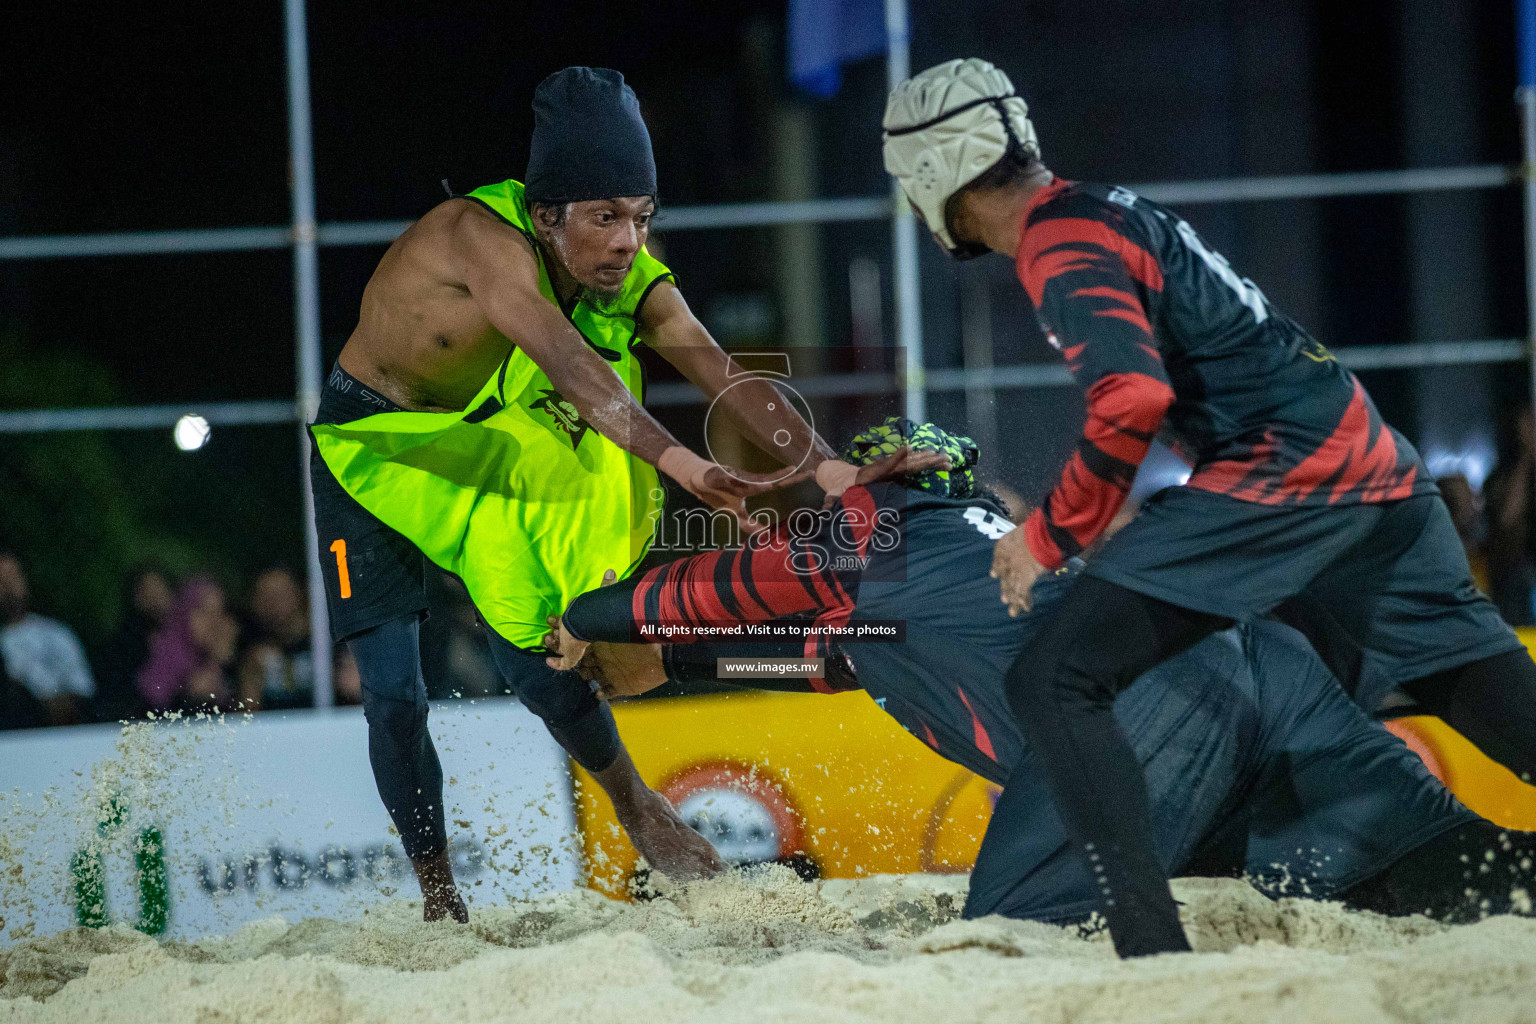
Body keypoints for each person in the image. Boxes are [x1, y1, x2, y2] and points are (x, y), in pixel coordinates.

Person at [877, 58, 1536, 956]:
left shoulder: (1055, 241)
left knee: (1056, 678)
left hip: (1282, 474)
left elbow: (1131, 400)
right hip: (1371, 454)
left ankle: (1153, 955)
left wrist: (1046, 534)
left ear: (930, 178)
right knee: (1471, 675)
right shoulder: (1104, 207)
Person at [549, 420, 1536, 929]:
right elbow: (817, 660)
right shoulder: (968, 559)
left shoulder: (866, 541)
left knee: (1005, 944)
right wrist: (671, 663)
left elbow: (673, 596)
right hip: (1254, 668)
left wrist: (581, 618)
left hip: (1129, 721)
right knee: (1433, 860)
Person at [306, 67, 854, 921]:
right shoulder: (479, 239)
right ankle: (440, 902)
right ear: (545, 214)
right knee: (393, 698)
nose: (628, 240)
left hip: (485, 446)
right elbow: (570, 364)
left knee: (549, 652)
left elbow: (721, 370)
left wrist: (831, 472)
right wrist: (682, 465)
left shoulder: (623, 267)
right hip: (372, 451)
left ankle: (640, 809)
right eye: (605, 218)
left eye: (642, 217)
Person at [0, 551, 96, 727]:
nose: (8, 586)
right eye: (1, 580)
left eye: (12, 577)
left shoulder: (55, 633)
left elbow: (82, 689)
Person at [137, 577, 240, 714]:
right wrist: (191, 695)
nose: (214, 622)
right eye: (204, 612)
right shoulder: (160, 655)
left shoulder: (236, 656)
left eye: (219, 613)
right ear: (184, 614)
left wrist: (219, 661)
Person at [95, 563, 176, 721]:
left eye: (158, 590)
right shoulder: (122, 648)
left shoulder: (192, 640)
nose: (154, 599)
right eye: (146, 592)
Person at [237, 566, 316, 711]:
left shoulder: (328, 643)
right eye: (265, 596)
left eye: (281, 594)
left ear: (300, 594)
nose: (272, 603)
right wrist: (251, 678)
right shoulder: (248, 646)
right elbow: (247, 715)